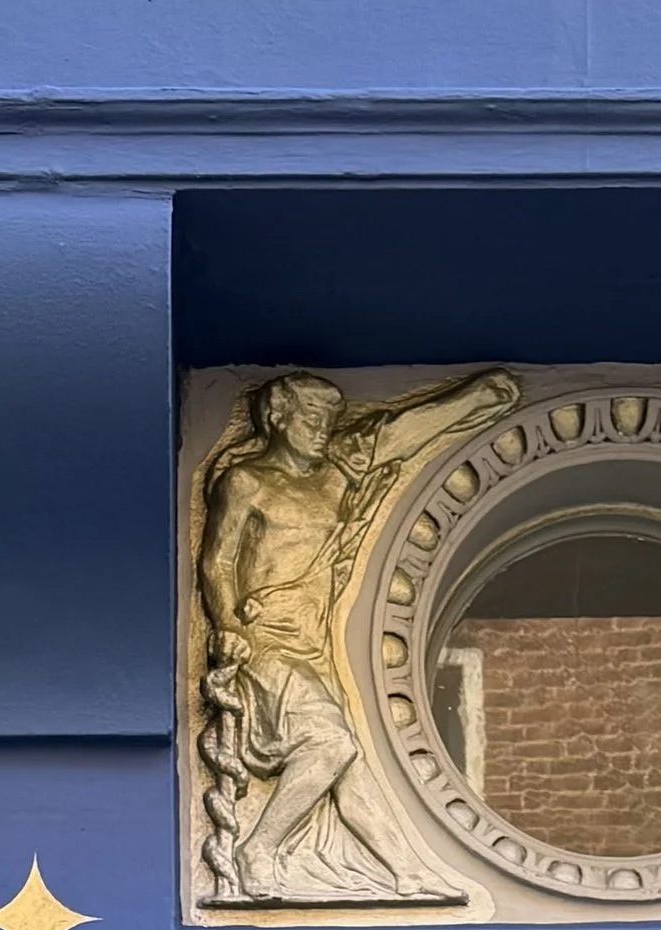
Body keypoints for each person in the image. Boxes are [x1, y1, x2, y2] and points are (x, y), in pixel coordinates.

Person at [196, 365, 518, 901]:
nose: (324, 427)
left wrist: (472, 398)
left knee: (347, 762)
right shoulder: (247, 481)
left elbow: (397, 432)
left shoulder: (335, 475)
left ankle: (403, 870)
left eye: (331, 416)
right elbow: (216, 562)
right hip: (263, 641)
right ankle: (259, 849)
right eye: (312, 415)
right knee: (330, 741)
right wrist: (227, 625)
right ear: (278, 417)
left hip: (311, 642)